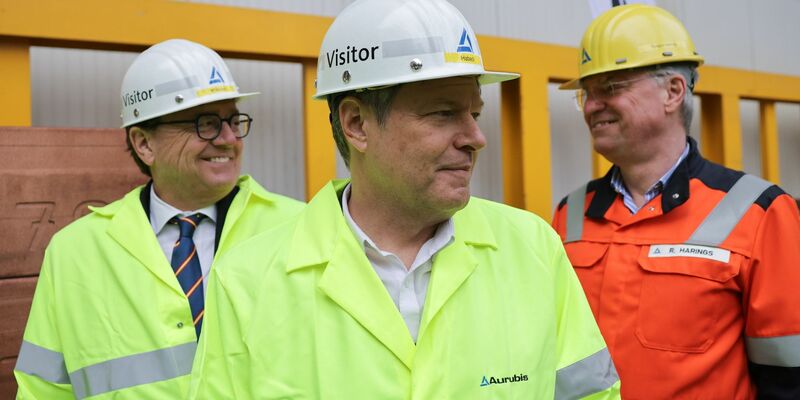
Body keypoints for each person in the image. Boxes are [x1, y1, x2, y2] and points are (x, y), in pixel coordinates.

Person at [188, 0, 620, 398]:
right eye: (443, 113)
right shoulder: (246, 282)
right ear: (356, 123)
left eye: (474, 113)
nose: (476, 138)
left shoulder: (533, 249)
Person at [13, 39, 304, 399]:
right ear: (143, 144)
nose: (229, 139)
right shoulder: (74, 253)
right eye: (206, 123)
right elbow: (42, 389)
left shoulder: (299, 229)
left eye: (233, 120)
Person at [552, 4, 800, 399]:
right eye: (587, 92)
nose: (592, 105)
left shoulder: (760, 211)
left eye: (611, 87)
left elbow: (788, 377)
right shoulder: (571, 214)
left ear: (673, 92)